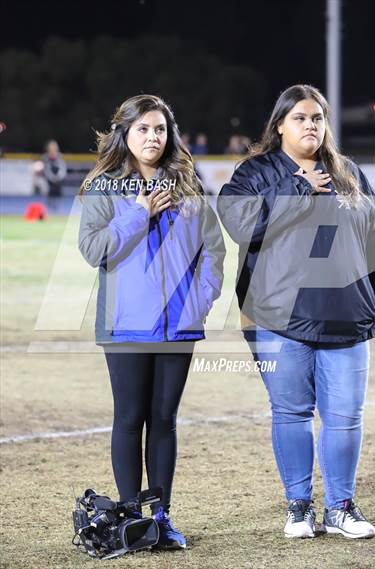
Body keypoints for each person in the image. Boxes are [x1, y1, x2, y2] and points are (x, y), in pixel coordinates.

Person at [217, 84, 375, 540]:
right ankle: (299, 507)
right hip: (278, 318)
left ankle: (341, 507)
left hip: (346, 314)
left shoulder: (348, 172)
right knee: (292, 412)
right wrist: (295, 188)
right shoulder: (257, 173)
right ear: (279, 124)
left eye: (317, 118)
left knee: (345, 416)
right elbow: (240, 225)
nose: (310, 125)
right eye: (299, 117)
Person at [78, 94, 225, 550]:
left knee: (164, 420)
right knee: (130, 419)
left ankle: (160, 518)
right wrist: (139, 214)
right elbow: (93, 250)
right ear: (125, 133)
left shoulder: (187, 188)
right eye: (142, 128)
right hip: (125, 327)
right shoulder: (105, 188)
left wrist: (197, 303)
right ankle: (130, 520)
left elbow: (213, 252)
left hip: (178, 327)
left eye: (160, 129)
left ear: (170, 135)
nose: (152, 137)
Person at [42, 139, 67, 210]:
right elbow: (46, 170)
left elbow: (63, 168)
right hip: (49, 181)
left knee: (59, 194)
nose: (53, 149)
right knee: (48, 192)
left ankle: (58, 209)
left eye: (54, 147)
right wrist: (52, 178)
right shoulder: (45, 158)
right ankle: (49, 207)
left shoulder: (59, 157)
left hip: (58, 180)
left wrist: (58, 177)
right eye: (51, 147)